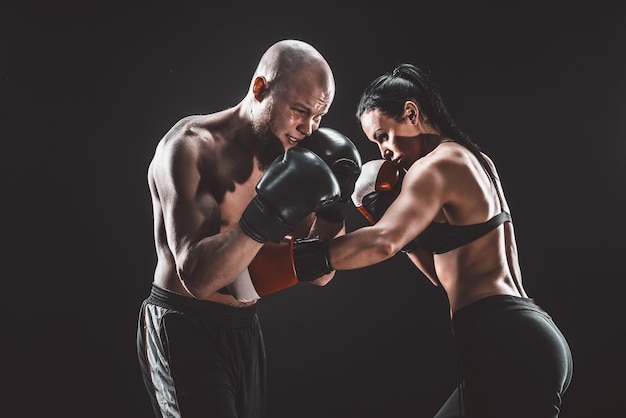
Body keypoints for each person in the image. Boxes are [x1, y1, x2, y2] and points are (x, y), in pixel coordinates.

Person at [288, 63, 574, 417]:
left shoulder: (435, 166)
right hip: (516, 338)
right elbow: (445, 278)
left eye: (382, 135)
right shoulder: (473, 158)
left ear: (410, 112)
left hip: (508, 346)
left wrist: (290, 262)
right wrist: (393, 221)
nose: (383, 152)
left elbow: (382, 243)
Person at [136, 39, 361, 418]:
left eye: (319, 117)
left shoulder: (292, 156)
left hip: (243, 328)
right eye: (300, 112)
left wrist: (334, 211)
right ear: (260, 88)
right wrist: (264, 214)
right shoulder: (190, 148)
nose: (308, 128)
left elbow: (320, 271)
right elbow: (198, 277)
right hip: (183, 325)